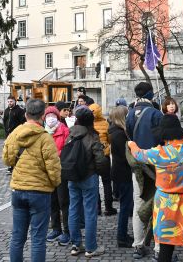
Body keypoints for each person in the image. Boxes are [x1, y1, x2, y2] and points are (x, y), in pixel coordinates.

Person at [129, 115, 183, 262]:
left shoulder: (160, 153)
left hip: (166, 204)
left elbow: (139, 155)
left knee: (166, 245)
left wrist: (131, 144)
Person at [2, 99, 61, 262]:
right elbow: (53, 167)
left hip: (18, 190)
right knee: (38, 239)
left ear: (26, 114)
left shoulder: (15, 134)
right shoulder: (45, 138)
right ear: (42, 116)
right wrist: (55, 183)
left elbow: (7, 159)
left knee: (17, 237)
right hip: (40, 192)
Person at [125, 81, 164, 259]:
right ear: (150, 94)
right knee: (159, 205)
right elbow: (162, 139)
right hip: (156, 165)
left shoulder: (130, 114)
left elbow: (130, 137)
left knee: (139, 203)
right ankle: (158, 247)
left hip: (137, 165)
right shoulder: (156, 114)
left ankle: (138, 245)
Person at [65, 107, 108, 258]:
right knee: (90, 212)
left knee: (73, 209)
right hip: (89, 176)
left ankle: (76, 245)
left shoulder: (70, 134)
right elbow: (100, 160)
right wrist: (101, 172)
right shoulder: (92, 136)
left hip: (72, 176)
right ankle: (91, 248)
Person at [44, 105, 71, 245]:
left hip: (61, 171)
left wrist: (55, 157)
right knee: (52, 202)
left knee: (64, 202)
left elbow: (67, 150)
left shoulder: (65, 130)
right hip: (48, 172)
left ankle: (67, 231)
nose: (50, 118)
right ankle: (56, 229)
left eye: (53, 116)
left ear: (58, 117)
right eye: (48, 116)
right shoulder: (43, 133)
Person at [108, 105, 134, 249]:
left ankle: (123, 235)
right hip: (123, 173)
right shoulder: (120, 134)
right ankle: (122, 237)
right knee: (125, 206)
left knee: (125, 205)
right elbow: (125, 156)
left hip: (119, 172)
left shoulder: (116, 131)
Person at [89, 103, 117, 216]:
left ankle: (97, 208)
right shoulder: (106, 124)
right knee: (106, 182)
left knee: (95, 182)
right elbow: (110, 140)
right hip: (104, 156)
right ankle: (108, 207)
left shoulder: (88, 125)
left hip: (92, 156)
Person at [3, 96, 26, 173]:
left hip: (17, 134)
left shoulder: (20, 111)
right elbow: (4, 122)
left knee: (16, 151)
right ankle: (11, 166)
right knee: (9, 151)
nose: (9, 103)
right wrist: (6, 131)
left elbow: (23, 122)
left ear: (15, 101)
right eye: (8, 101)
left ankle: (17, 166)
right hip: (8, 135)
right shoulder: (6, 111)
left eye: (11, 101)